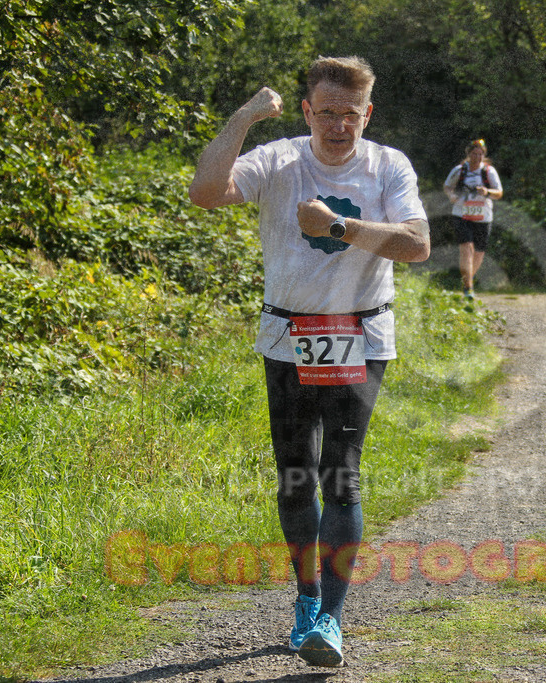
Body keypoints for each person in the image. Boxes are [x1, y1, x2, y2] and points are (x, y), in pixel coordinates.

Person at [188, 56, 430, 668]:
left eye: (350, 115)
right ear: (306, 111)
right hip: (288, 334)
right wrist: (245, 117)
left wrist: (342, 227)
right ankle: (305, 598)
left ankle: (331, 620)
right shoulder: (279, 160)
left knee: (339, 475)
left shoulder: (388, 165)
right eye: (326, 113)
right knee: (295, 476)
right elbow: (205, 193)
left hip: (359, 334)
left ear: (366, 114)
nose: (338, 126)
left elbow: (418, 245)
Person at [444, 139, 503, 300]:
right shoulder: (460, 170)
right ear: (468, 154)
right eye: (474, 154)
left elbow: (499, 193)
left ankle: (467, 283)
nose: (477, 157)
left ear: (484, 155)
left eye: (480, 154)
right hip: (461, 214)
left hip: (483, 216)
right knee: (467, 248)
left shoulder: (489, 172)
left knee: (478, 253)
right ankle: (469, 288)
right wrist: (452, 196)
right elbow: (447, 186)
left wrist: (486, 191)